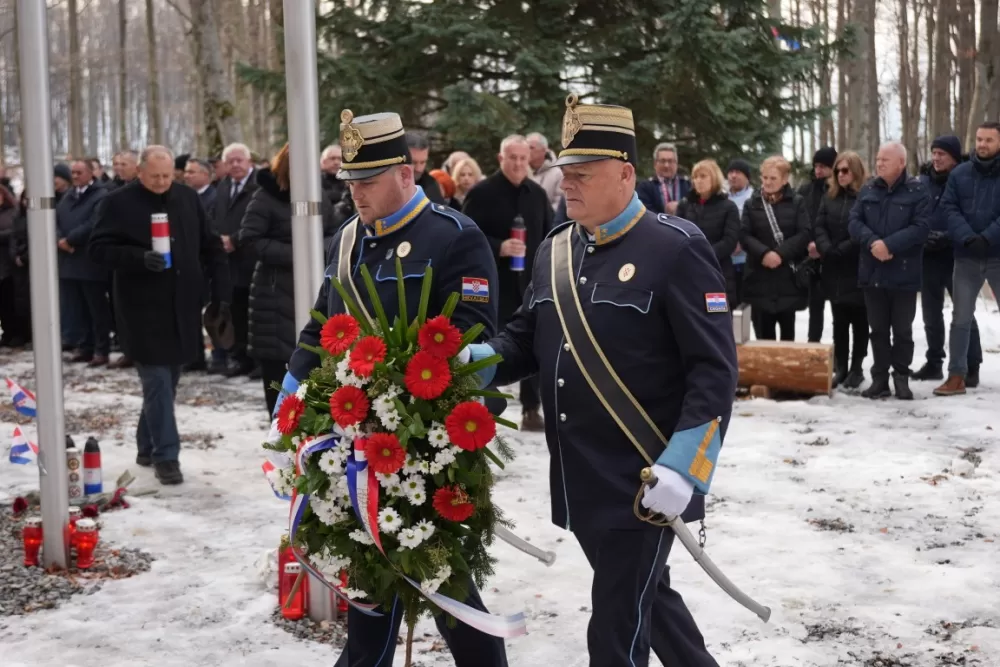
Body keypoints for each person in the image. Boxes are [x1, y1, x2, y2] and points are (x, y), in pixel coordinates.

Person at [470, 97, 736, 667]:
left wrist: (685, 464)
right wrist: (472, 364)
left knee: (615, 630)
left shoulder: (676, 247)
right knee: (646, 599)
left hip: (645, 480)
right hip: (579, 476)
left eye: (583, 174)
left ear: (624, 174)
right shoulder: (556, 248)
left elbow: (714, 371)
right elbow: (525, 338)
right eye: (566, 173)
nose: (568, 184)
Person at [276, 109, 507, 667]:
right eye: (350, 182)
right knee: (374, 588)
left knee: (445, 585)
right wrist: (292, 389)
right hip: (352, 446)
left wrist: (411, 399)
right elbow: (322, 325)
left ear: (406, 173)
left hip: (426, 448)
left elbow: (476, 339)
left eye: (368, 180)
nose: (356, 193)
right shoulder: (348, 239)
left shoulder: (454, 236)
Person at [89, 146, 231, 485]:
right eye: (155, 176)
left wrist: (220, 296)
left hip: (182, 305)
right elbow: (97, 249)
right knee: (156, 381)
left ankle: (146, 446)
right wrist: (138, 258)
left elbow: (210, 246)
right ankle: (167, 457)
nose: (162, 182)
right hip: (140, 309)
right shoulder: (117, 202)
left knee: (168, 380)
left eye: (168, 176)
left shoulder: (186, 198)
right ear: (140, 172)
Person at [462, 135, 554, 432]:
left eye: (523, 159)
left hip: (529, 283)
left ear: (530, 160)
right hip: (492, 284)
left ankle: (531, 407)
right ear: (501, 159)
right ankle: (485, 402)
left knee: (532, 342)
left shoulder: (537, 195)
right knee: (491, 341)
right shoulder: (482, 193)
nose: (517, 164)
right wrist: (499, 246)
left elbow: (550, 234)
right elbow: (464, 239)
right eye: (511, 158)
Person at [238, 143, 337, 414]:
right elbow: (249, 240)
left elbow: (333, 234)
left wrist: (318, 249)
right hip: (273, 295)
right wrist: (297, 253)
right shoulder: (265, 197)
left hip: (312, 287)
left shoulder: (320, 196)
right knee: (279, 385)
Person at [848, 142, 930, 400]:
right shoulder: (868, 189)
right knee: (878, 330)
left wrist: (890, 245)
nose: (879, 163)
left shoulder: (918, 191)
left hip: (903, 273)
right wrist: (874, 243)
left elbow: (921, 227)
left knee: (902, 330)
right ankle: (880, 379)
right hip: (873, 272)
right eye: (878, 158)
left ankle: (901, 378)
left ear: (901, 163)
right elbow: (854, 221)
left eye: (885, 159)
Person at [934, 122, 1000, 396]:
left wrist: (987, 237)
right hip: (966, 257)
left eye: (989, 140)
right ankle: (956, 376)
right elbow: (949, 207)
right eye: (979, 139)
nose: (982, 144)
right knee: (960, 317)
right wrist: (968, 237)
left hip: (998, 255)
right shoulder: (960, 173)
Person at [914, 136, 979, 383]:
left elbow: (973, 218)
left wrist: (949, 236)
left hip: (958, 256)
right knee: (931, 313)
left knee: (964, 313)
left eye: (942, 154)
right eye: (934, 153)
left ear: (954, 157)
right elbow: (915, 215)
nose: (936, 158)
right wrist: (923, 235)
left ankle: (971, 365)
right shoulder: (922, 183)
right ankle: (934, 362)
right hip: (928, 257)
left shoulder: (968, 180)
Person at [739, 155, 811, 341]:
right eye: (764, 178)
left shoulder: (797, 202)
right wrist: (764, 253)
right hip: (759, 275)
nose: (767, 182)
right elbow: (744, 234)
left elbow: (804, 233)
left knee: (788, 337)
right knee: (764, 337)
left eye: (773, 178)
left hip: (786, 276)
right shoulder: (752, 203)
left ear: (785, 179)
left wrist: (780, 254)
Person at [813, 151, 868, 389]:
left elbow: (863, 228)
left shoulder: (865, 197)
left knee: (860, 320)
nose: (841, 175)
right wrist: (826, 248)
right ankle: (841, 366)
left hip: (856, 264)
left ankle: (857, 367)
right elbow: (820, 225)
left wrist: (843, 248)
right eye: (838, 171)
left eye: (845, 170)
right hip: (833, 266)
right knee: (839, 320)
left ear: (855, 171)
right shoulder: (829, 197)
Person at [57, 159, 112, 366]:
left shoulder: (101, 195)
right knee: (76, 307)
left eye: (80, 172)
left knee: (96, 309)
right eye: (73, 172)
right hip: (69, 260)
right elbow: (55, 220)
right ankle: (84, 345)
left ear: (91, 173)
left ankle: (101, 348)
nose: (76, 176)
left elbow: (94, 222)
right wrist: (59, 239)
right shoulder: (68, 197)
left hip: (89, 260)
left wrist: (70, 240)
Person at [214, 142, 260, 377]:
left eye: (239, 160)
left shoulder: (259, 185)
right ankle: (240, 358)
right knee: (236, 312)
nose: (234, 165)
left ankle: (257, 362)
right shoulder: (223, 187)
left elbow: (257, 222)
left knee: (255, 313)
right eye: (230, 161)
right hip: (229, 263)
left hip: (252, 258)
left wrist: (234, 239)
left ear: (249, 161)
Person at [676, 159, 741, 306]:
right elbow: (676, 236)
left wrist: (704, 255)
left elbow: (729, 241)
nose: (698, 181)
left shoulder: (728, 207)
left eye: (703, 176)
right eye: (695, 177)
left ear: (714, 178)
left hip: (717, 273)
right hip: (689, 274)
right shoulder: (685, 205)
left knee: (716, 317)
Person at [800, 147, 837, 343]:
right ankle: (813, 345)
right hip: (811, 257)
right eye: (816, 166)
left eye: (823, 166)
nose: (818, 170)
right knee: (815, 307)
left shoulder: (837, 191)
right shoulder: (806, 190)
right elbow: (801, 220)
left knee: (840, 311)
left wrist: (824, 246)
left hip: (834, 254)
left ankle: (841, 358)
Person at [636, 142, 690, 215]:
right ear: (655, 164)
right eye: (662, 161)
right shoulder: (645, 187)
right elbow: (645, 213)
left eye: (670, 161)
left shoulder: (687, 184)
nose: (666, 165)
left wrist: (680, 207)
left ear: (676, 163)